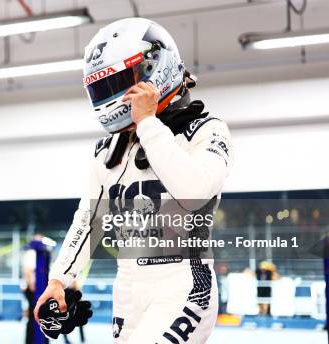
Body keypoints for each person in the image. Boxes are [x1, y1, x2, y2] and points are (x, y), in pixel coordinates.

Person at [34, 18, 234, 343]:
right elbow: (89, 222)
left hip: (182, 281)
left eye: (119, 82)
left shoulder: (206, 129)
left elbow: (195, 193)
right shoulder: (107, 152)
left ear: (156, 66)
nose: (111, 96)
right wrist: (59, 280)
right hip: (126, 287)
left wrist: (148, 124)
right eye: (102, 88)